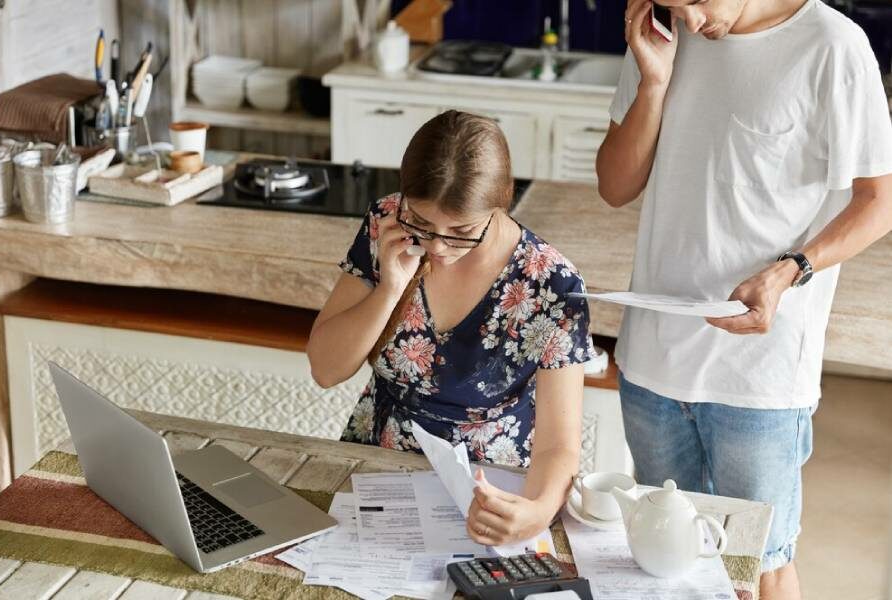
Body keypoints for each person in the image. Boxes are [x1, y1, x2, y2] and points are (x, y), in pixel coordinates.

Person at [596, 0, 892, 598]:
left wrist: (791, 270)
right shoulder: (666, 36)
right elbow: (615, 185)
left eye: (697, 3)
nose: (693, 20)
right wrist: (654, 82)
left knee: (758, 566)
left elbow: (879, 199)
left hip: (759, 377)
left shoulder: (832, 45)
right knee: (672, 559)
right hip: (654, 361)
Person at [307, 110, 592, 546]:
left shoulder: (552, 284)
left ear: (501, 204)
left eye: (461, 232)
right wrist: (389, 289)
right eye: (422, 223)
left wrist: (536, 512)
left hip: (486, 492)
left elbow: (559, 445)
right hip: (377, 469)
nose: (437, 247)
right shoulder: (387, 222)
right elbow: (326, 369)